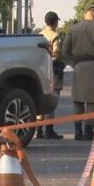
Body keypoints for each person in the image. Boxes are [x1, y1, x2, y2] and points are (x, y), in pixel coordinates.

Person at [61, 5, 94, 141]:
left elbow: (65, 50)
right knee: (92, 101)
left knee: (78, 100)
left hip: (78, 66)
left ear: (85, 14)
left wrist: (73, 62)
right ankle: (88, 131)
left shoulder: (73, 29)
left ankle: (77, 130)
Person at [36, 11, 65, 140]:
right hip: (53, 70)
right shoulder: (55, 36)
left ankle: (38, 130)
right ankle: (49, 130)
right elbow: (57, 52)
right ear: (55, 22)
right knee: (52, 100)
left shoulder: (39, 35)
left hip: (40, 70)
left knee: (41, 99)